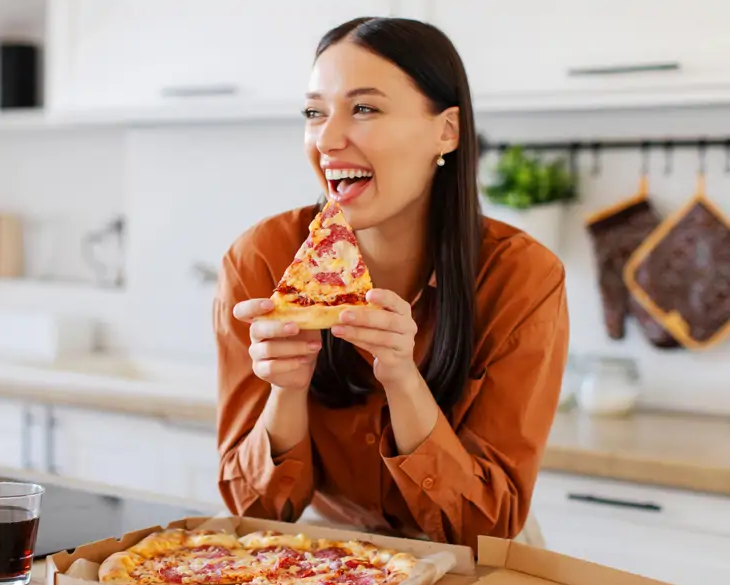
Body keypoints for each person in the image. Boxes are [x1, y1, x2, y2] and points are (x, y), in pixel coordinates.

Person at [212, 17, 569, 552]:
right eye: (315, 113)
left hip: (468, 559)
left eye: (365, 108)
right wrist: (285, 388)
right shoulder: (260, 259)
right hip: (328, 553)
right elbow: (255, 512)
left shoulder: (522, 276)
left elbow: (487, 528)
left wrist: (402, 378)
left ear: (446, 131)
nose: (327, 139)